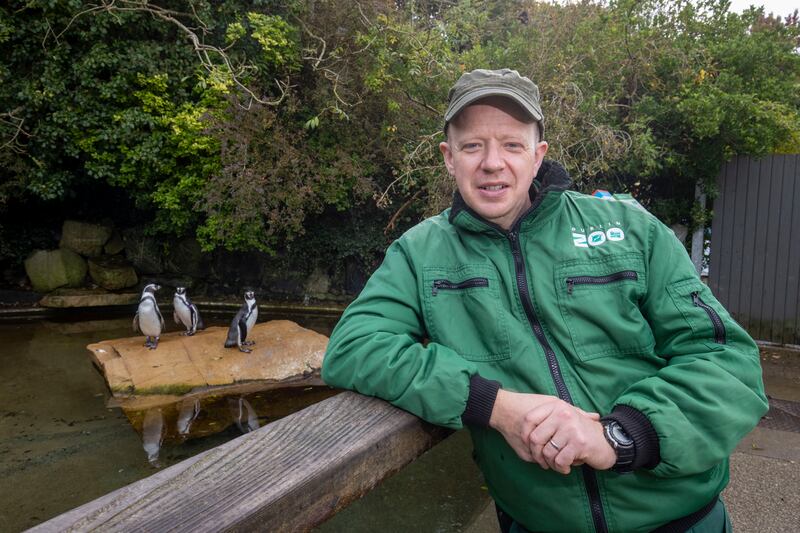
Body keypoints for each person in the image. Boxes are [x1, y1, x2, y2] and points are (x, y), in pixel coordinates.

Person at [321, 68, 767, 532]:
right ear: (448, 158)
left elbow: (727, 361)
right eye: (473, 146)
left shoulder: (631, 230)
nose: (492, 162)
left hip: (683, 520)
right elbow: (354, 347)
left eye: (512, 145)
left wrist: (616, 435)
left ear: (538, 156)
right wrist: (493, 405)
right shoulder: (419, 253)